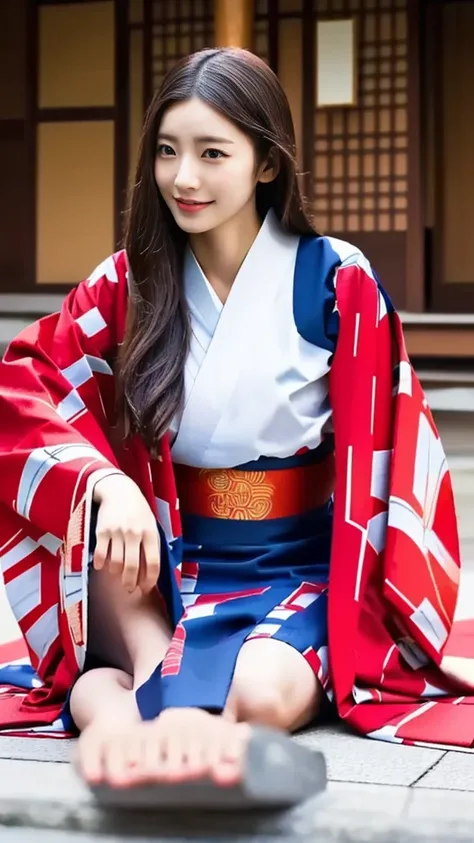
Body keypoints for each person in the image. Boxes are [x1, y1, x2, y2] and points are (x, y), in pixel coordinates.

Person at [0, 47, 472, 792]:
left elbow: (390, 449)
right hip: (155, 556)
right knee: (136, 633)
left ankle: (135, 710)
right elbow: (24, 381)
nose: (182, 177)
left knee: (261, 693)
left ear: (266, 164)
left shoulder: (334, 280)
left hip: (293, 561)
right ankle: (136, 724)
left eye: (211, 153)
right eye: (166, 151)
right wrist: (101, 483)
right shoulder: (128, 282)